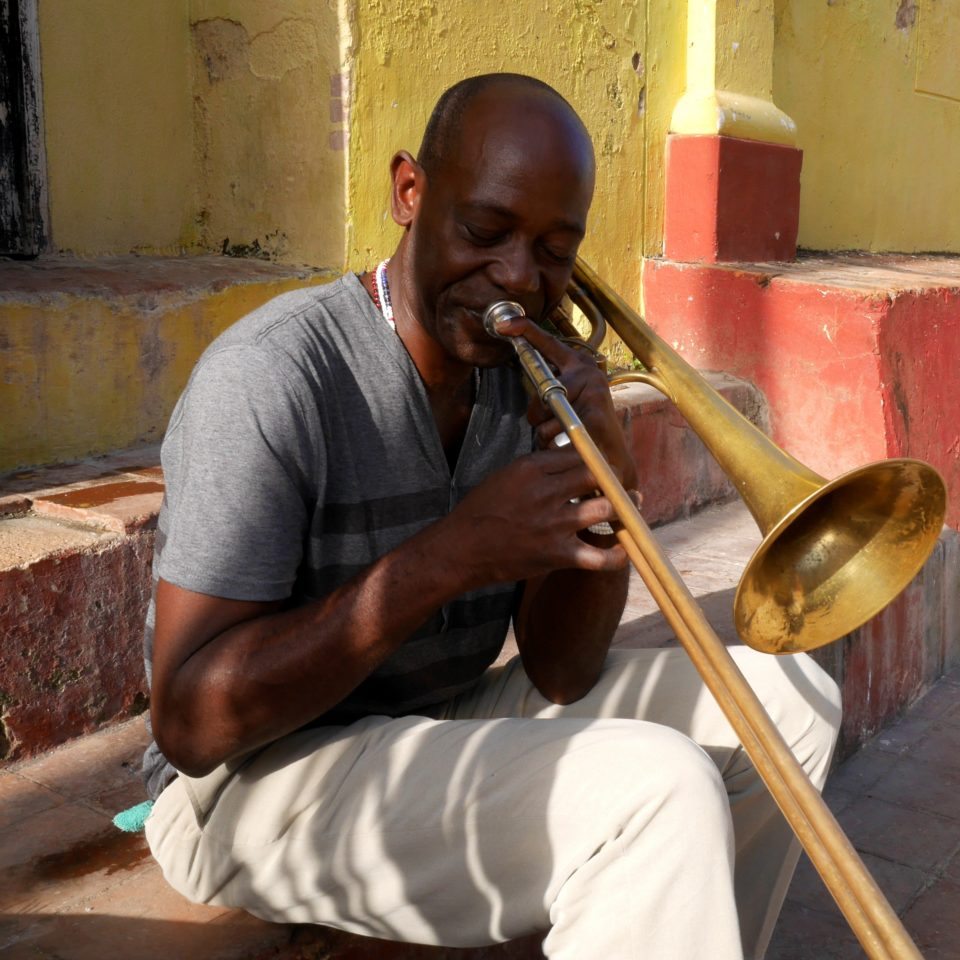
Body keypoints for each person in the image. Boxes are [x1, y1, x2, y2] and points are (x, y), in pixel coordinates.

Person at [143, 73, 841, 960]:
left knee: (790, 703)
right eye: (484, 232)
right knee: (658, 790)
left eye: (555, 251)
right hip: (252, 784)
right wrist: (453, 556)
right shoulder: (271, 379)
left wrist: (606, 476)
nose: (518, 277)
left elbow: (561, 668)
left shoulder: (524, 376)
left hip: (439, 722)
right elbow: (191, 726)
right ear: (409, 192)